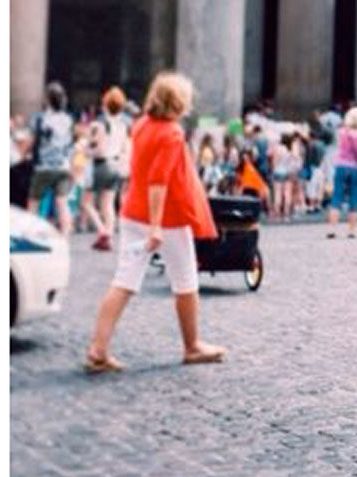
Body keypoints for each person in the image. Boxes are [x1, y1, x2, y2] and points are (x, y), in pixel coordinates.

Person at [84, 71, 226, 372]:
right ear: (179, 103)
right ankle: (192, 346)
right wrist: (157, 226)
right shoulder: (172, 133)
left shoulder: (142, 125)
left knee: (123, 281)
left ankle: (98, 349)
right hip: (166, 219)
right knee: (186, 280)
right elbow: (158, 182)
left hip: (132, 212)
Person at [80, 86, 131, 251]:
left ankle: (103, 232)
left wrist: (85, 150)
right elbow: (125, 148)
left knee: (86, 202)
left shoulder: (100, 124)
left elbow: (99, 149)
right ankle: (107, 235)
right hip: (115, 166)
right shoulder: (123, 125)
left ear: (105, 104)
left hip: (101, 165)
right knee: (108, 204)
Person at [27, 82, 77, 236]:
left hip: (43, 167)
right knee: (62, 202)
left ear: (47, 99)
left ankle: (30, 233)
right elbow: (71, 142)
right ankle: (65, 235)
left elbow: (32, 140)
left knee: (33, 201)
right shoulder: (69, 119)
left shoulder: (40, 119)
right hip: (63, 166)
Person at [327, 107, 357, 239]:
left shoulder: (341, 133)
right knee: (354, 198)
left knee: (337, 197)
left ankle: (332, 228)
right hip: (354, 167)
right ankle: (351, 230)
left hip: (340, 165)